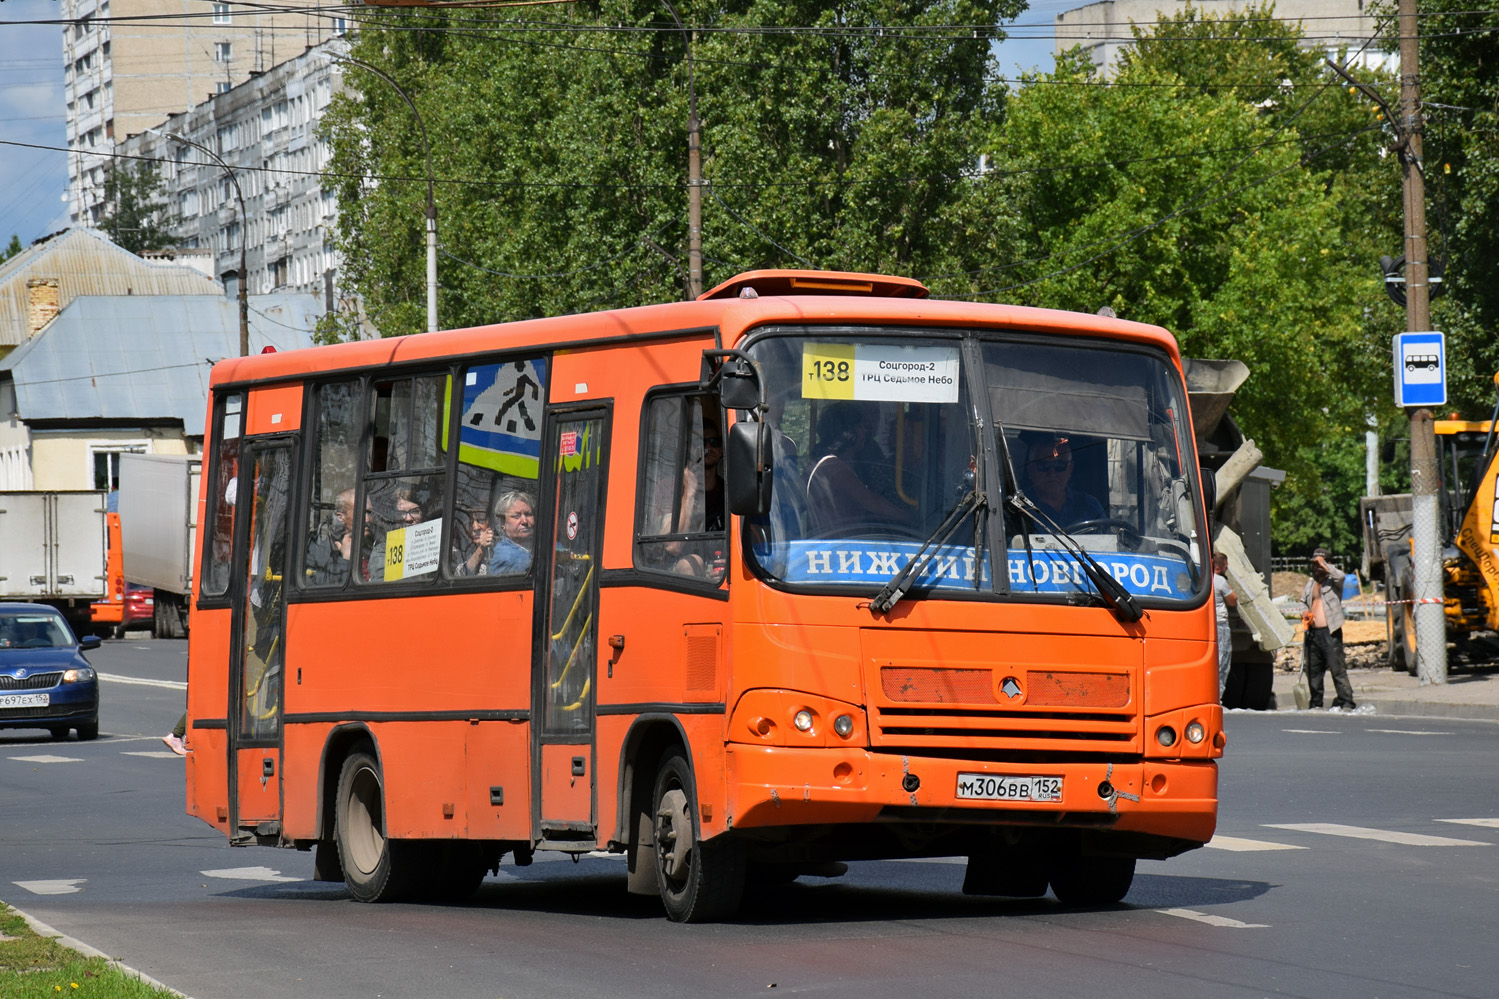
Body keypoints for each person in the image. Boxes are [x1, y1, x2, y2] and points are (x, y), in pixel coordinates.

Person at [805, 401, 908, 535]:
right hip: (835, 546)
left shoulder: (845, 463)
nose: (865, 431)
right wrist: (908, 517)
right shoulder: (834, 466)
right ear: (847, 432)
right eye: (860, 426)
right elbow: (871, 501)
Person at [1298, 547, 1355, 710]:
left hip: (1330, 632)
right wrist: (1304, 612)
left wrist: (1324, 565)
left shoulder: (1334, 581)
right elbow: (1303, 602)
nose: (1316, 568)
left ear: (1327, 564)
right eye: (1314, 564)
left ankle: (1347, 702)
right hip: (1313, 633)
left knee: (1337, 669)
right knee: (1313, 671)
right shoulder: (1311, 584)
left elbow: (1340, 575)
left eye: (1319, 564)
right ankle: (1316, 702)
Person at [1018, 431, 1105, 528]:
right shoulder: (1017, 509)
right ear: (1030, 470)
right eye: (1043, 465)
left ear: (1070, 468)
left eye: (1060, 465)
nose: (1052, 473)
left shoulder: (1090, 506)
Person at [306, 487, 357, 585]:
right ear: (340, 517)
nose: (368, 519)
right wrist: (346, 559)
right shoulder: (317, 544)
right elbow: (321, 586)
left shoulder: (375, 541)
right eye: (361, 513)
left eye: (369, 512)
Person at [490, 490, 536, 574]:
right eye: (516, 516)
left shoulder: (531, 547)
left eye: (528, 514)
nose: (524, 521)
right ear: (502, 522)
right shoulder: (508, 554)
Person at [1212, 552, 1238, 698]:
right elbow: (1232, 600)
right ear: (1218, 568)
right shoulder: (1220, 580)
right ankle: (1217, 697)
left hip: (1207, 625)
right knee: (1222, 663)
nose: (1226, 569)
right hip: (1220, 625)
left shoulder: (1200, 578)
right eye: (1225, 567)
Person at [453, 506, 495, 576]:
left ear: (490, 523)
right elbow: (462, 575)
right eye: (471, 522)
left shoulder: (500, 545)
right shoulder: (461, 549)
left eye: (481, 520)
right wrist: (481, 549)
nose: (475, 527)